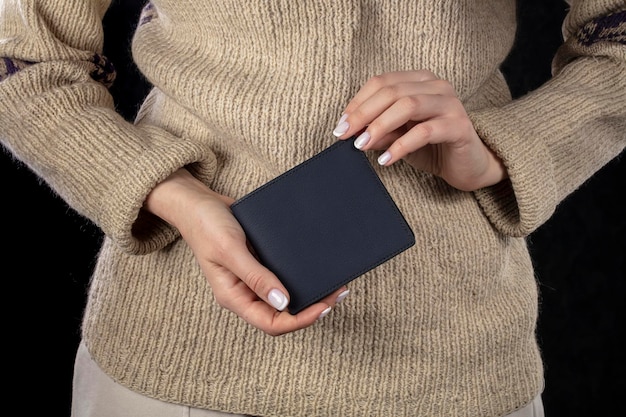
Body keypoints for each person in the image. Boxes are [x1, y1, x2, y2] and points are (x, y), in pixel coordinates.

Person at [1, 0, 624, 416]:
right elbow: (19, 54)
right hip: (177, 354)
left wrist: (498, 153)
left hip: (454, 365)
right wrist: (171, 195)